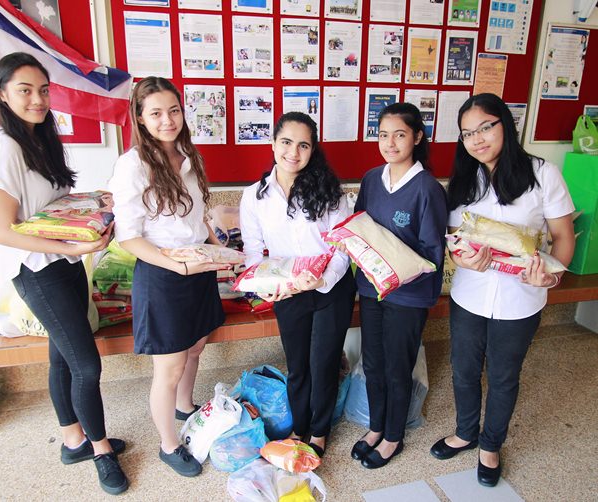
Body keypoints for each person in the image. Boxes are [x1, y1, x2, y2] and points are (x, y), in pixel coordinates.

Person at [0, 52, 128, 495]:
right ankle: (101, 450)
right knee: (86, 363)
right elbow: (3, 230)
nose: (37, 99)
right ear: (3, 94)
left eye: (43, 90)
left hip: (63, 262)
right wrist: (76, 245)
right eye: (25, 90)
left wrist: (88, 201)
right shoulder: (2, 147)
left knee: (62, 355)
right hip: (37, 270)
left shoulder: (39, 137)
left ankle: (72, 440)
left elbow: (46, 207)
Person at [430, 93, 575, 487]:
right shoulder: (463, 179)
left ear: (505, 125)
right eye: (466, 133)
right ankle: (465, 432)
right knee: (463, 369)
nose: (476, 139)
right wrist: (460, 258)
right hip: (469, 295)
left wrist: (552, 275)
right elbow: (455, 239)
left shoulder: (543, 174)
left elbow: (562, 236)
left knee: (504, 375)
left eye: (485, 127)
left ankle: (490, 445)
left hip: (521, 297)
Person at [108, 76, 228, 477]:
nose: (167, 120)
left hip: (198, 267)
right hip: (163, 276)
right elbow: (129, 238)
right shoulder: (132, 166)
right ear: (140, 118)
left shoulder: (188, 154)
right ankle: (169, 444)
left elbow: (196, 216)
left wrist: (219, 245)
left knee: (196, 347)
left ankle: (185, 406)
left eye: (174, 110)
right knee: (169, 367)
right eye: (156, 113)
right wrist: (174, 264)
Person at [240, 112, 356, 459]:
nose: (294, 152)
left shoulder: (328, 191)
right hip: (288, 291)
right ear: (273, 143)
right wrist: (262, 285)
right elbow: (252, 250)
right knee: (298, 365)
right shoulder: (254, 196)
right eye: (286, 142)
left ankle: (319, 432)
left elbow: (342, 244)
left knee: (323, 363)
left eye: (303, 144)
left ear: (312, 149)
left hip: (330, 289)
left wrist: (322, 279)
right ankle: (298, 427)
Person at [349, 103, 447, 469]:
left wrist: (395, 266)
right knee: (372, 361)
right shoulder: (372, 178)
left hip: (408, 294)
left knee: (396, 365)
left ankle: (393, 437)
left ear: (417, 137)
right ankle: (375, 427)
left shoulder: (427, 189)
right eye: (383, 134)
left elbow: (432, 253)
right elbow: (360, 226)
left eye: (400, 134)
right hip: (372, 287)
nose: (390, 143)